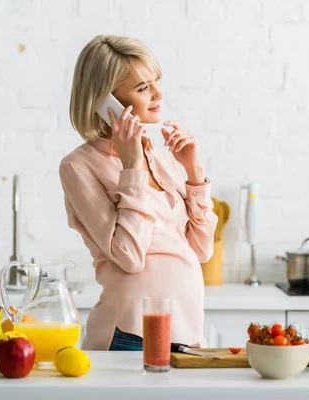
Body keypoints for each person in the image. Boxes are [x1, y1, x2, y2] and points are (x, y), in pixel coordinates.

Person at [59, 34, 217, 351]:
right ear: (106, 103)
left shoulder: (157, 156)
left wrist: (194, 174)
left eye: (156, 81)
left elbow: (201, 251)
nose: (158, 94)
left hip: (187, 332)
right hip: (129, 335)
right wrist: (132, 169)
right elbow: (129, 257)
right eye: (143, 88)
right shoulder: (79, 166)